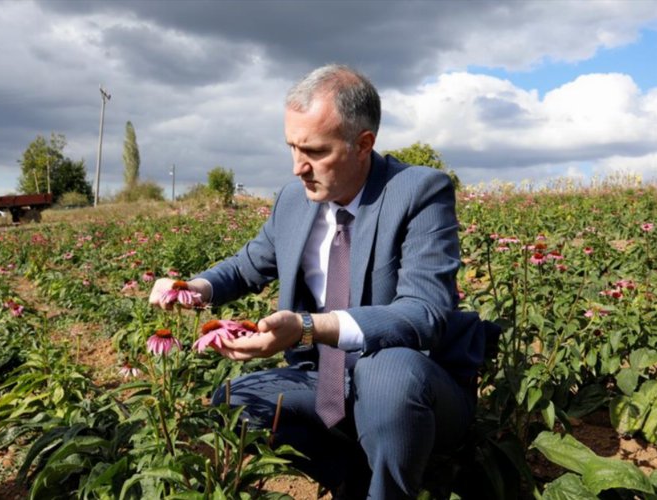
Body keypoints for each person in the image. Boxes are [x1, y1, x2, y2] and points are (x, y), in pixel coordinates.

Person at [150, 64, 494, 499]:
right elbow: (247, 265)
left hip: (414, 384)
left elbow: (423, 314)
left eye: (314, 151)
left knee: (387, 374)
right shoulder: (295, 200)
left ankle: (393, 487)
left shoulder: (419, 192)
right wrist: (194, 288)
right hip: (325, 379)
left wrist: (308, 327)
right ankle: (348, 475)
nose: (298, 167)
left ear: (363, 144)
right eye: (292, 147)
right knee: (236, 401)